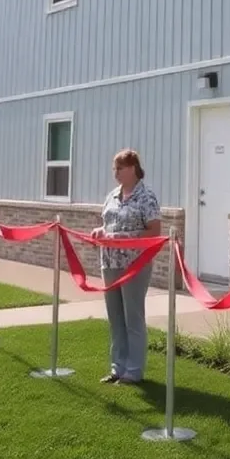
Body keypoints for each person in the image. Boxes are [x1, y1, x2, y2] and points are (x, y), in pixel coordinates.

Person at [92, 149, 162, 385]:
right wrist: (101, 232)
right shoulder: (112, 195)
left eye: (119, 168)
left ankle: (134, 369)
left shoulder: (146, 197)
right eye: (114, 169)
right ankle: (117, 367)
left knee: (133, 317)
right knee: (115, 317)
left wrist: (124, 236)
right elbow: (107, 224)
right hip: (109, 262)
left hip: (134, 265)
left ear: (132, 168)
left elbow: (154, 231)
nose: (116, 173)